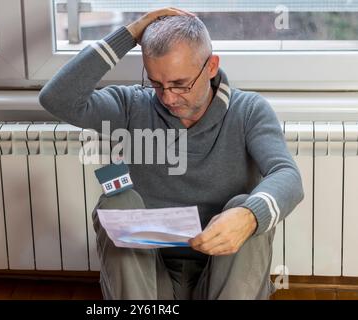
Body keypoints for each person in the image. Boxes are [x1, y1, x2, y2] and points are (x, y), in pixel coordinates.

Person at [39, 8, 304, 300]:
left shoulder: (249, 110)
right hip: (148, 278)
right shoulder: (132, 105)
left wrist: (250, 215)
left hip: (224, 275)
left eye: (180, 84)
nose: (167, 98)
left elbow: (287, 175)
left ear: (211, 66)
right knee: (117, 201)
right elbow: (57, 98)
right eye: (156, 83)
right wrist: (130, 33)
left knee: (247, 205)